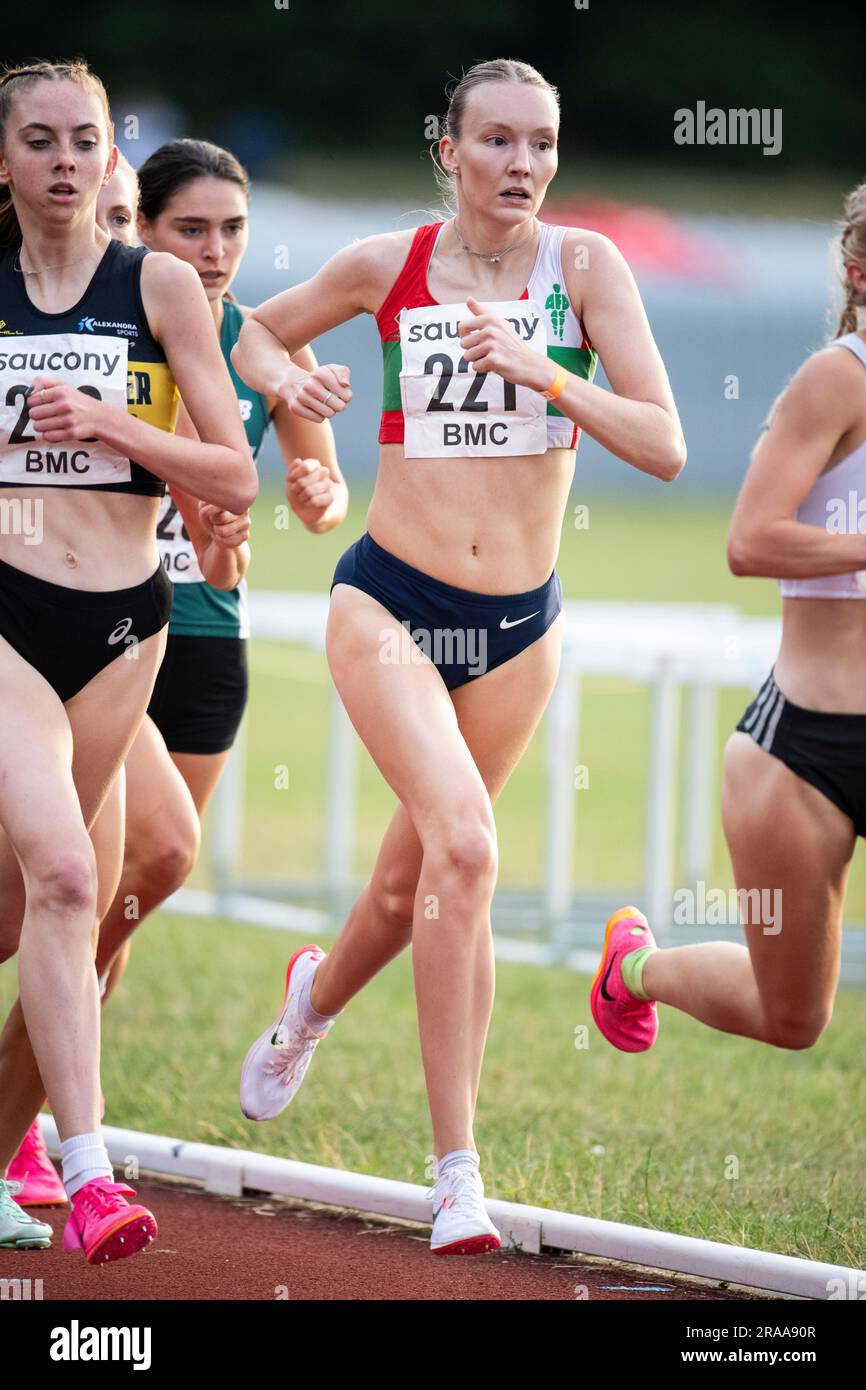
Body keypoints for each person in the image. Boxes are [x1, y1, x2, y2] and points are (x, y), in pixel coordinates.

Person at [231, 57, 685, 1256]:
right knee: (469, 852)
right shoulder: (389, 265)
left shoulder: (587, 271)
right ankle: (456, 1175)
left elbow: (666, 445)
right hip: (388, 599)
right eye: (495, 142)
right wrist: (302, 420)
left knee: (407, 886)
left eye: (540, 143)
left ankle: (308, 1007)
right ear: (449, 149)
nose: (520, 166)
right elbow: (245, 337)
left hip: (519, 624)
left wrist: (544, 373)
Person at [7, 138, 346, 1208]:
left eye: (233, 230)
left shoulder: (248, 338)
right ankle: (56, 1136)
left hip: (187, 637)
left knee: (116, 895)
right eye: (187, 228)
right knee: (98, 866)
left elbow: (290, 469)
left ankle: (40, 1108)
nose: (213, 251)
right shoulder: (93, 307)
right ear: (140, 228)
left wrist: (301, 487)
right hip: (56, 621)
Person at [0, 59, 257, 1263]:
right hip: (5, 611)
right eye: (38, 139)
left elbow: (232, 471)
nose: (62, 160)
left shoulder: (155, 282)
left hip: (127, 628)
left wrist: (108, 424)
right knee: (62, 874)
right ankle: (92, 1173)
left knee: (35, 913)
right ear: (3, 160)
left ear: (112, 161)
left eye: (83, 141)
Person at [591, 181, 866, 1062]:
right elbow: (750, 540)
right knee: (794, 1020)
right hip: (806, 753)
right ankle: (636, 972)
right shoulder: (838, 379)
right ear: (859, 272)